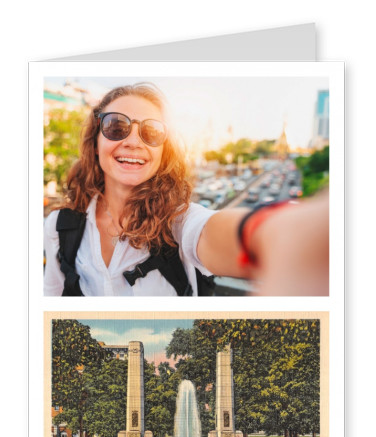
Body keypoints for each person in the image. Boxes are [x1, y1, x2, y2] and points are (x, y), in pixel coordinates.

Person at [44, 83, 329, 296]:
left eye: (151, 131)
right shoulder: (59, 227)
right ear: (95, 141)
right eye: (116, 126)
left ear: (163, 151)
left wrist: (276, 233)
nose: (133, 142)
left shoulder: (177, 222)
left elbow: (211, 232)